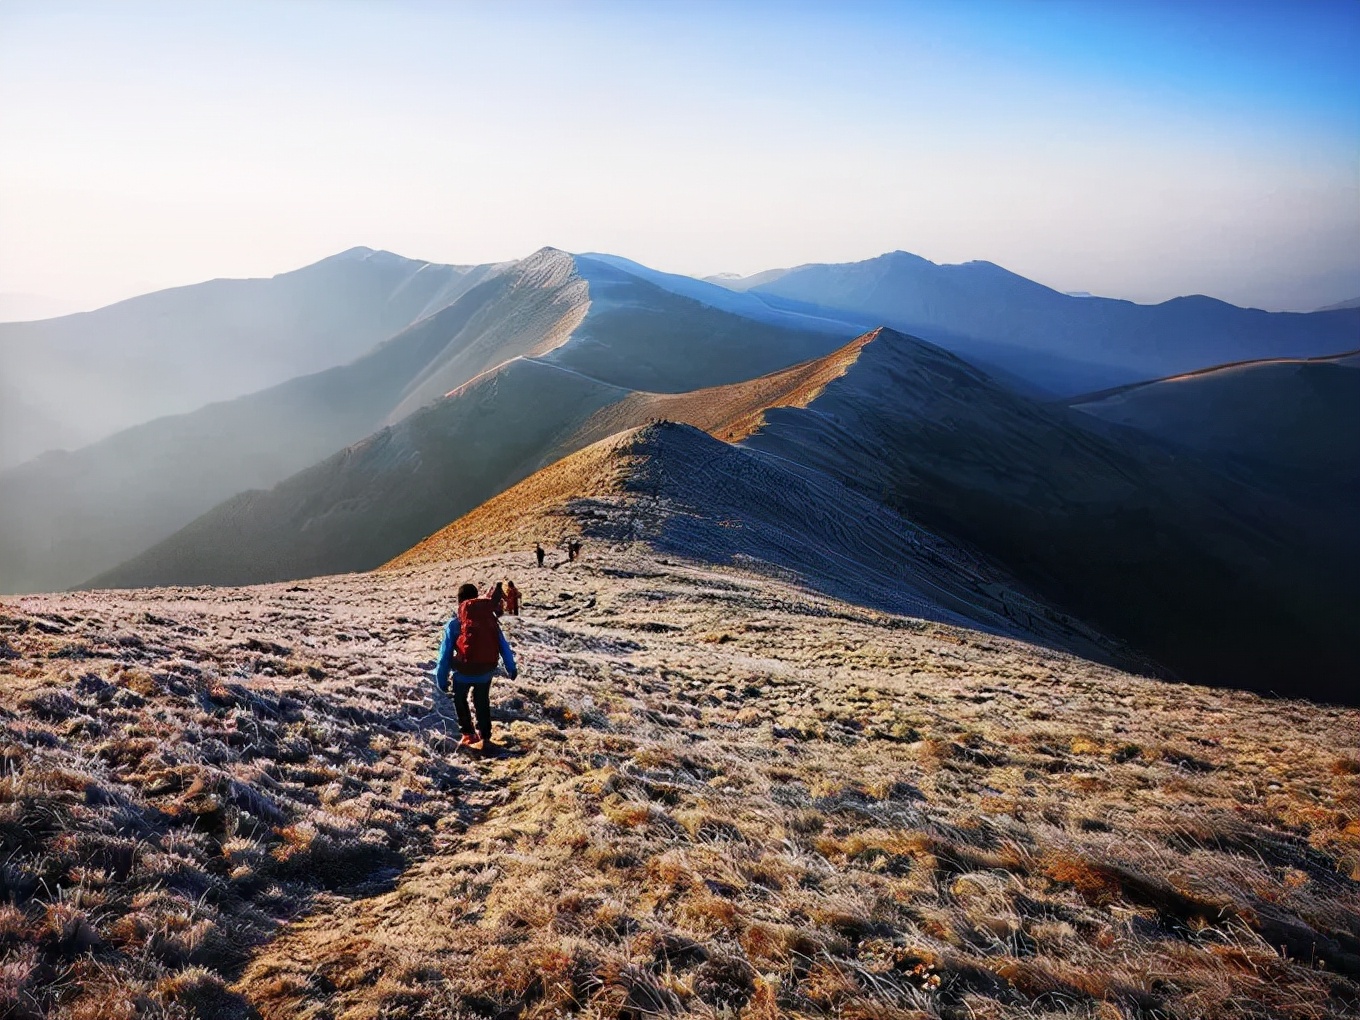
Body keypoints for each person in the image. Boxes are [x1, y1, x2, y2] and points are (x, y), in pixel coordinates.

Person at [434, 582, 518, 754]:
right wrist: (511, 667)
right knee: (482, 700)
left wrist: (441, 679)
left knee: (460, 699)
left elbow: (445, 655)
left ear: (459, 601)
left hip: (463, 672)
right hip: (486, 671)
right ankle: (485, 735)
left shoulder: (454, 624)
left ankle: (468, 734)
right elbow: (503, 645)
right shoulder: (490, 620)